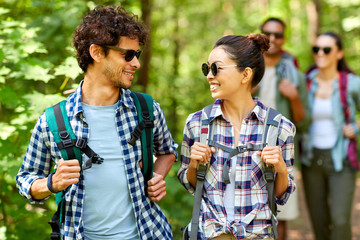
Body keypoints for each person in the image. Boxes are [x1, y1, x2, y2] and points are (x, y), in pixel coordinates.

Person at [16, 5, 177, 240]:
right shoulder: (53, 120)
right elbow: (25, 179)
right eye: (128, 55)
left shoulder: (147, 109)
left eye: (137, 55)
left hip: (148, 233)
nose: (136, 64)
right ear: (97, 52)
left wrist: (157, 178)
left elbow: (168, 151)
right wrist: (51, 182)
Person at [178, 34, 296, 240]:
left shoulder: (280, 128)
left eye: (216, 68)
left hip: (259, 234)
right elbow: (190, 184)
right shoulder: (196, 124)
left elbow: (281, 195)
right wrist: (194, 165)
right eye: (207, 69)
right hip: (211, 234)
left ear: (245, 74)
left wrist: (282, 170)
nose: (209, 76)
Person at [253, 17, 310, 240]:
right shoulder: (248, 65)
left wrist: (294, 97)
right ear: (261, 35)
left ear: (283, 38)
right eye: (268, 33)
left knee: (281, 213)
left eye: (278, 35)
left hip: (281, 148)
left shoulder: (293, 73)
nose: (273, 39)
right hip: (248, 143)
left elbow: (304, 121)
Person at [301, 32, 360, 240]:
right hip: (311, 160)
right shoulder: (305, 82)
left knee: (341, 220)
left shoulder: (351, 83)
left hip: (341, 160)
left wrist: (356, 126)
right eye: (316, 49)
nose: (320, 53)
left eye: (326, 49)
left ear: (339, 53)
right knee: (319, 222)